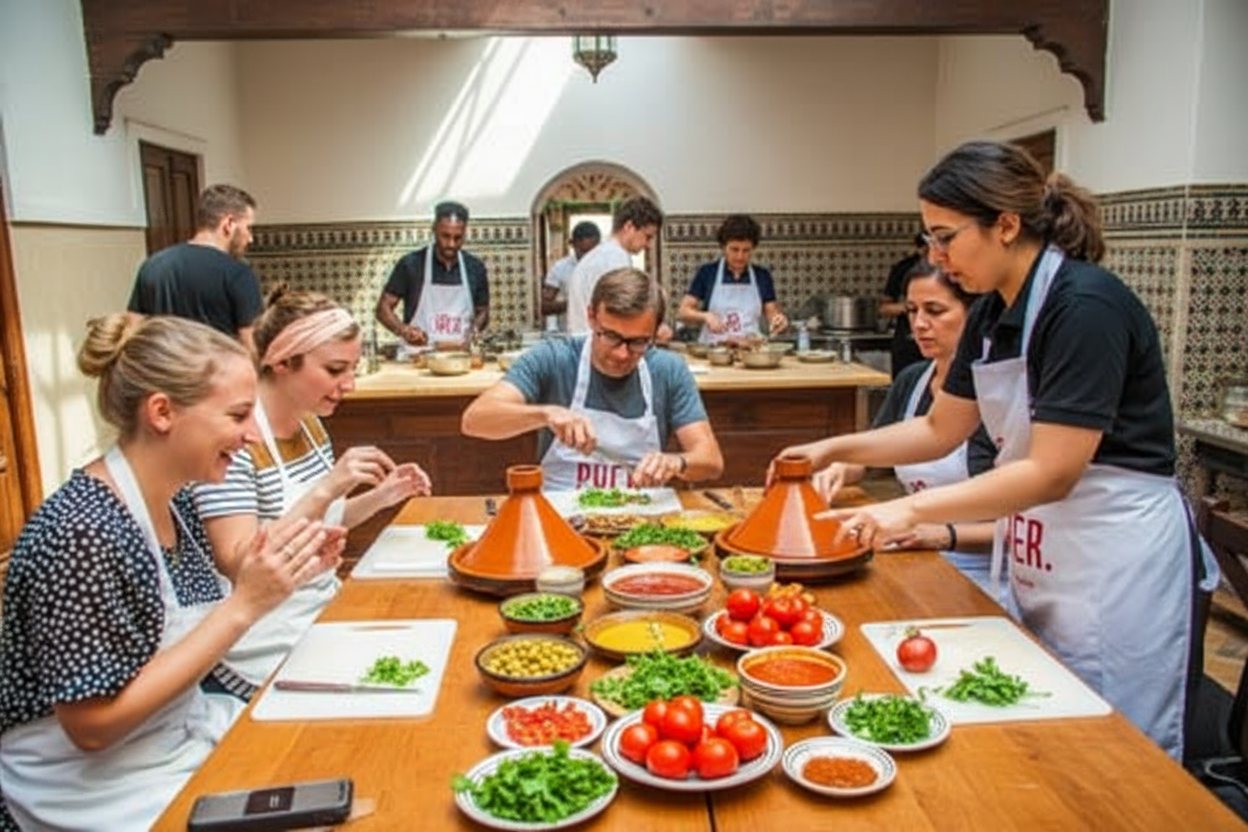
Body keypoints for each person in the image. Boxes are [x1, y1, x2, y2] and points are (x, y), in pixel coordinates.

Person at [778, 140, 1215, 760]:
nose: (935, 256)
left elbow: (1054, 470)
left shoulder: (1085, 307)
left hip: (1112, 560)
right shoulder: (992, 314)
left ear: (1006, 225)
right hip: (1043, 552)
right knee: (1041, 733)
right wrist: (829, 447)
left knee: (1118, 753)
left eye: (945, 237)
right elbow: (938, 429)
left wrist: (907, 511)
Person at [0, 315, 337, 830]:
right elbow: (91, 727)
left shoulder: (173, 505)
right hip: (90, 786)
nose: (252, 435)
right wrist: (245, 605)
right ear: (162, 412)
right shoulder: (82, 534)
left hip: (170, 740)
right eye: (238, 414)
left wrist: (283, 572)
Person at [194, 289, 432, 695]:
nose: (350, 384)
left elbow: (321, 520)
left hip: (319, 612)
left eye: (353, 369)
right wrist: (329, 486)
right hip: (261, 643)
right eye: (335, 369)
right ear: (283, 362)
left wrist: (382, 496)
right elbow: (239, 564)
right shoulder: (234, 441)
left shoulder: (310, 425)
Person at [811, 259, 998, 595]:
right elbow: (871, 456)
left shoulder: (996, 397)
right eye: (912, 311)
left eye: (935, 311)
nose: (920, 324)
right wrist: (839, 467)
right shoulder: (912, 381)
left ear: (974, 314)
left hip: (982, 574)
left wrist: (940, 535)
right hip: (914, 558)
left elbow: (1023, 526)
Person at [462, 267, 723, 490]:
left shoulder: (668, 370)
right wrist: (546, 414)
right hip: (560, 513)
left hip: (642, 515)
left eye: (638, 342)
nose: (622, 354)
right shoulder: (553, 359)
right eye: (610, 336)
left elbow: (711, 461)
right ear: (591, 317)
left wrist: (677, 463)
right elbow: (475, 420)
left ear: (657, 332)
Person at [127, 184, 264, 351]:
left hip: (162, 373)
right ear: (229, 224)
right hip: (215, 374)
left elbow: (132, 332)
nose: (250, 238)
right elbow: (251, 346)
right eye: (248, 228)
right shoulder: (238, 274)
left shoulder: (152, 265)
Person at [374, 200, 489, 356]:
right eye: (445, 236)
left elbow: (483, 311)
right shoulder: (411, 265)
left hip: (460, 358)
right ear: (434, 230)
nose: (451, 244)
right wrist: (404, 331)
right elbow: (383, 309)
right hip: (418, 359)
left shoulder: (475, 267)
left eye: (458, 238)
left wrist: (475, 329)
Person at [678, 214, 788, 343]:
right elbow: (683, 312)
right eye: (734, 250)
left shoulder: (762, 276)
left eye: (746, 250)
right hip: (714, 350)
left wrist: (779, 321)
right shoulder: (707, 273)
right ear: (724, 247)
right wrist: (705, 316)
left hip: (750, 349)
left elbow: (772, 314)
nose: (740, 256)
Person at [565, 197, 664, 336]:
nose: (648, 245)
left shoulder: (600, 254)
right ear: (628, 227)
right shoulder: (615, 258)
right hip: (599, 342)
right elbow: (625, 310)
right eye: (647, 237)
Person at [879, 233, 928, 378]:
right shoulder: (904, 268)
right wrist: (908, 307)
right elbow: (884, 308)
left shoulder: (949, 269)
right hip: (907, 344)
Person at [541, 221, 602, 331]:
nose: (586, 258)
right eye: (582, 252)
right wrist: (574, 303)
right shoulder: (560, 268)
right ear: (572, 245)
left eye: (591, 253)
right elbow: (545, 307)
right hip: (570, 334)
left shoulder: (606, 267)